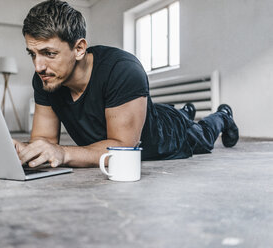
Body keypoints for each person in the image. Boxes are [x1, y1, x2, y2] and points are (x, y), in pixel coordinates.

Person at [12, 0, 239, 168]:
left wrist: (64, 153)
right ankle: (184, 112)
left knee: (203, 135)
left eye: (48, 53)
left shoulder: (122, 69)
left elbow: (123, 149)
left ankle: (222, 116)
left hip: (167, 137)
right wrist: (28, 151)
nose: (38, 66)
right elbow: (45, 142)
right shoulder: (46, 77)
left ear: (79, 48)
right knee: (166, 114)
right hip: (142, 116)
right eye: (32, 54)